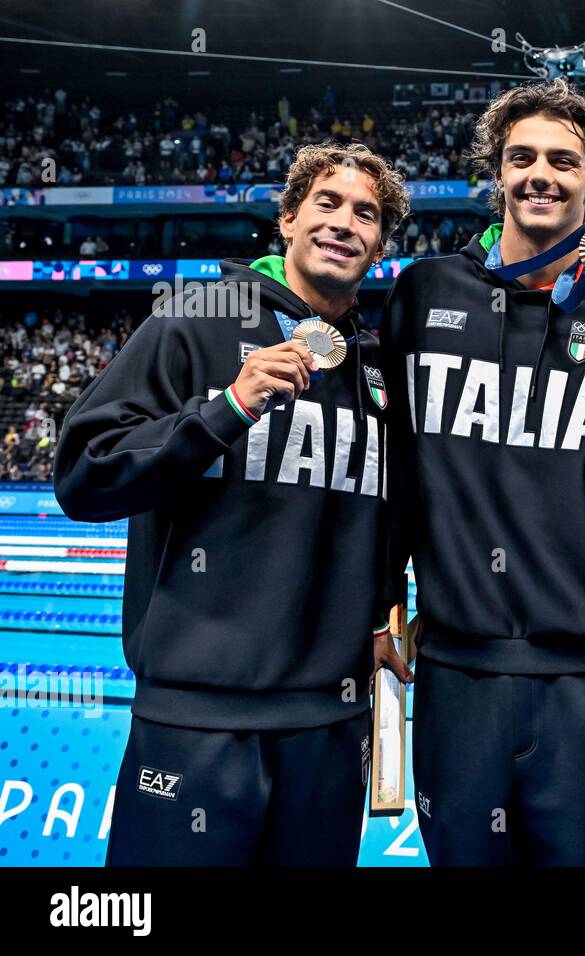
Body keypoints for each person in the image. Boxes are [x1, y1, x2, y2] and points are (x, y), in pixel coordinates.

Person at [54, 142, 412, 865]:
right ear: (287, 220)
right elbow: (84, 473)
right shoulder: (197, 318)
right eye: (328, 203)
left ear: (380, 243)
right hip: (196, 721)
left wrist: (379, 612)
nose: (345, 222)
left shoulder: (376, 366)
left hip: (327, 727)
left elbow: (385, 514)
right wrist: (227, 409)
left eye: (366, 214)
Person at [380, 79, 585, 865]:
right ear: (497, 174)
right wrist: (379, 607)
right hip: (459, 672)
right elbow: (394, 473)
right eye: (523, 158)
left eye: (563, 161)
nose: (542, 174)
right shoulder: (424, 293)